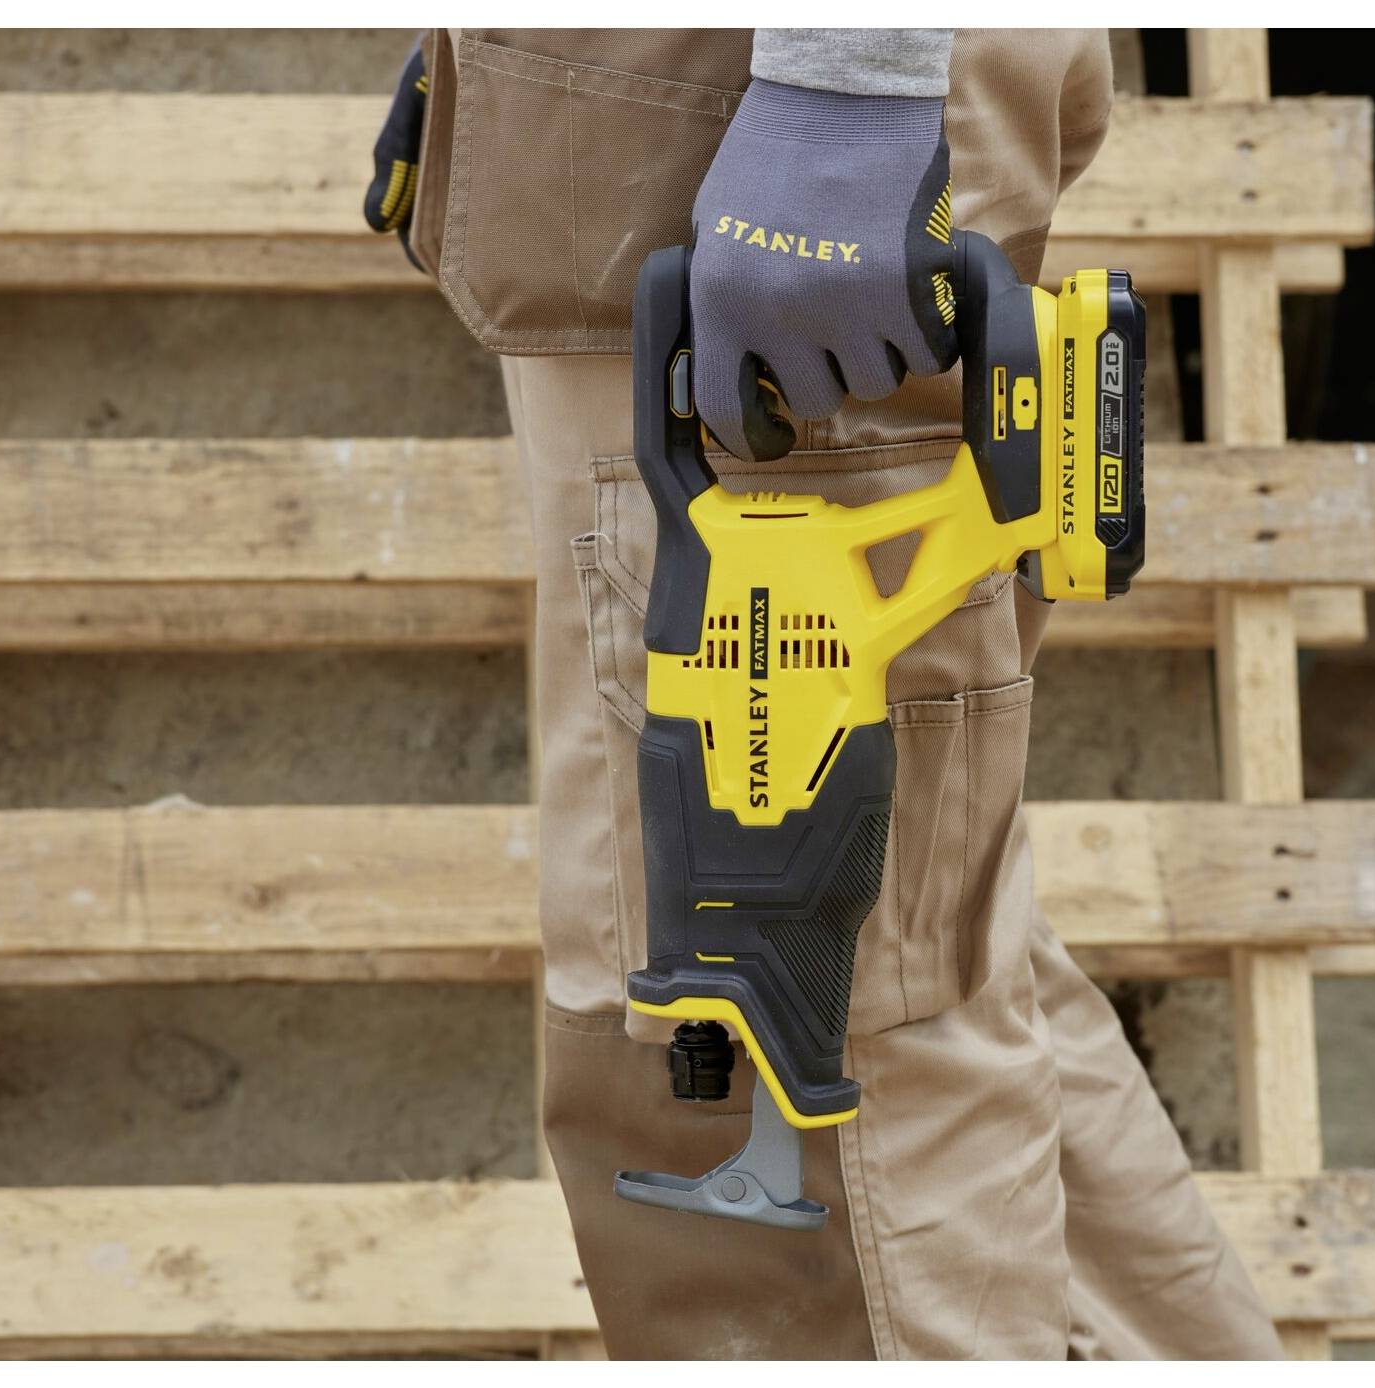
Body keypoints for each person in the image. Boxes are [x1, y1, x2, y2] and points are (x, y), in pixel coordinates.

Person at [369, 27, 1285, 1360]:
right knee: (920, 961)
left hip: (774, 209)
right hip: (676, 166)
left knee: (798, 1054)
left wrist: (843, 89)